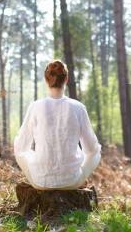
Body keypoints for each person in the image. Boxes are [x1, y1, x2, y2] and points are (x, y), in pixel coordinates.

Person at [14, 60, 101, 190]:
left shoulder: (35, 106)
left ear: (46, 79)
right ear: (66, 79)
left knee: (22, 151)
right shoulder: (78, 107)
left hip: (40, 182)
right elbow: (91, 149)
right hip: (71, 181)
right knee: (96, 152)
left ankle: (46, 173)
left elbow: (21, 147)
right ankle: (68, 174)